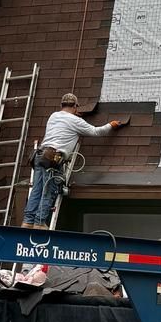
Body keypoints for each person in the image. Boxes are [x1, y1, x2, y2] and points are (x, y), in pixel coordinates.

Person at [22, 92, 126, 228]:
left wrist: (74, 118)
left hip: (39, 155)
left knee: (37, 190)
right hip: (52, 158)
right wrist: (111, 125)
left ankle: (27, 222)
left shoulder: (53, 116)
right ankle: (40, 223)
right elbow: (96, 132)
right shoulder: (76, 121)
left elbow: (63, 125)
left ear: (61, 105)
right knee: (49, 191)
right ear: (76, 106)